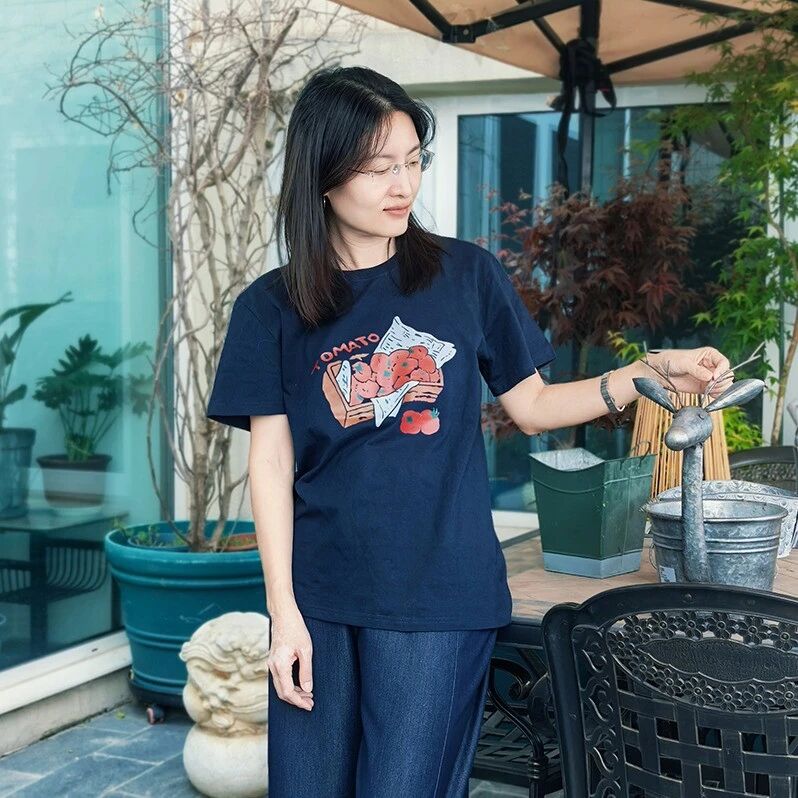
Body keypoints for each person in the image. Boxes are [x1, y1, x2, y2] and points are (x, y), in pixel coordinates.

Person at [206, 65, 733, 798]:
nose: (403, 185)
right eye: (378, 168)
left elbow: (534, 406)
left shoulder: (465, 277)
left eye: (412, 161)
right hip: (319, 597)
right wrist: (283, 612)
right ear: (322, 177)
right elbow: (269, 464)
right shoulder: (272, 307)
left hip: (439, 596)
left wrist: (653, 372)